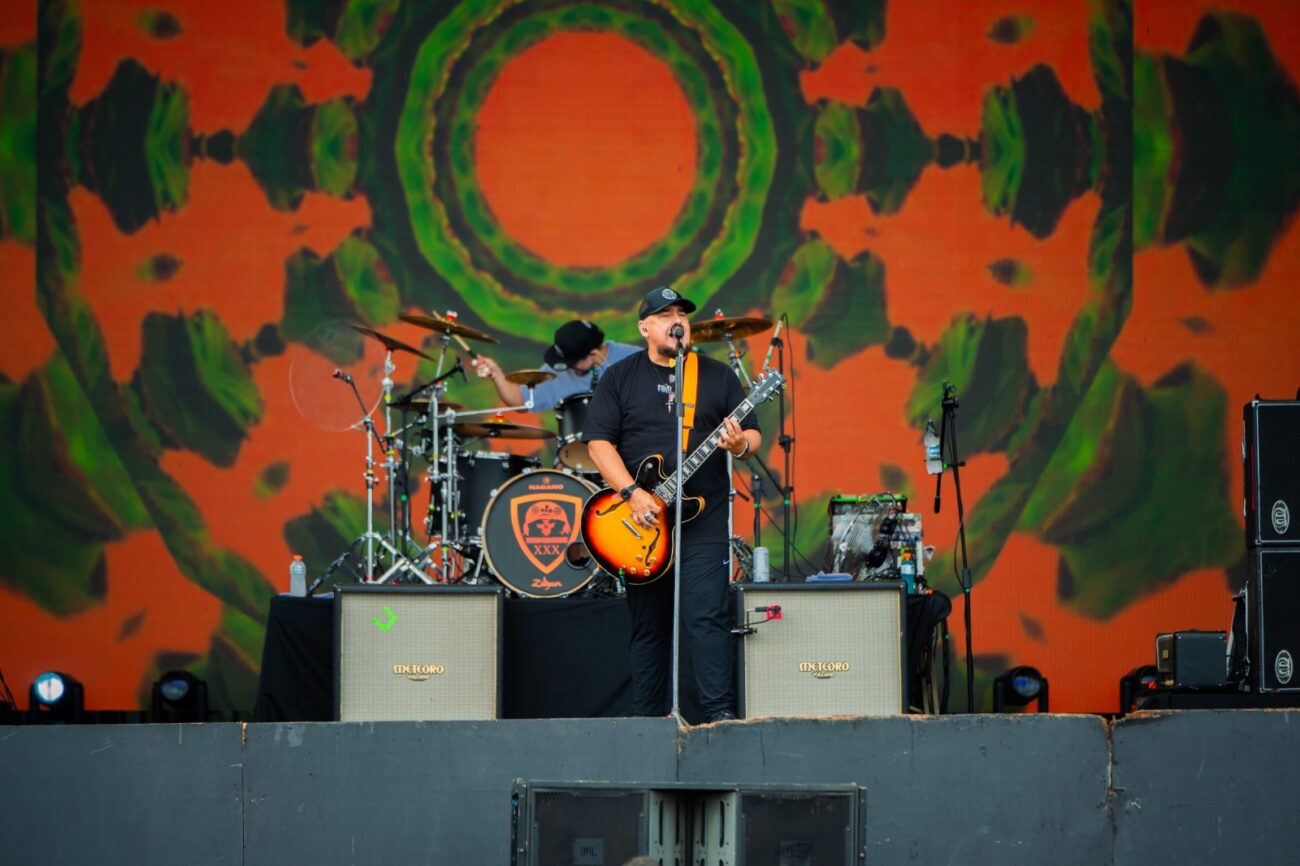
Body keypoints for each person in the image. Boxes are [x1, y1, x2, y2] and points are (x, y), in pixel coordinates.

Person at [581, 287, 761, 723]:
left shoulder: (716, 376)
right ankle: (647, 722)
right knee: (649, 626)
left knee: (707, 616)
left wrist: (739, 444)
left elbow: (752, 435)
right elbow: (598, 443)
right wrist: (630, 492)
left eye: (681, 313)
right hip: (643, 519)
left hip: (704, 519)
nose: (676, 320)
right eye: (664, 315)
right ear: (645, 328)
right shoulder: (620, 377)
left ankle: (719, 716)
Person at [472, 319, 639, 412]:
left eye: (571, 363)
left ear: (594, 354)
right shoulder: (559, 371)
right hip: (576, 457)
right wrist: (497, 374)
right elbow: (521, 401)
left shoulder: (636, 359)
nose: (567, 369)